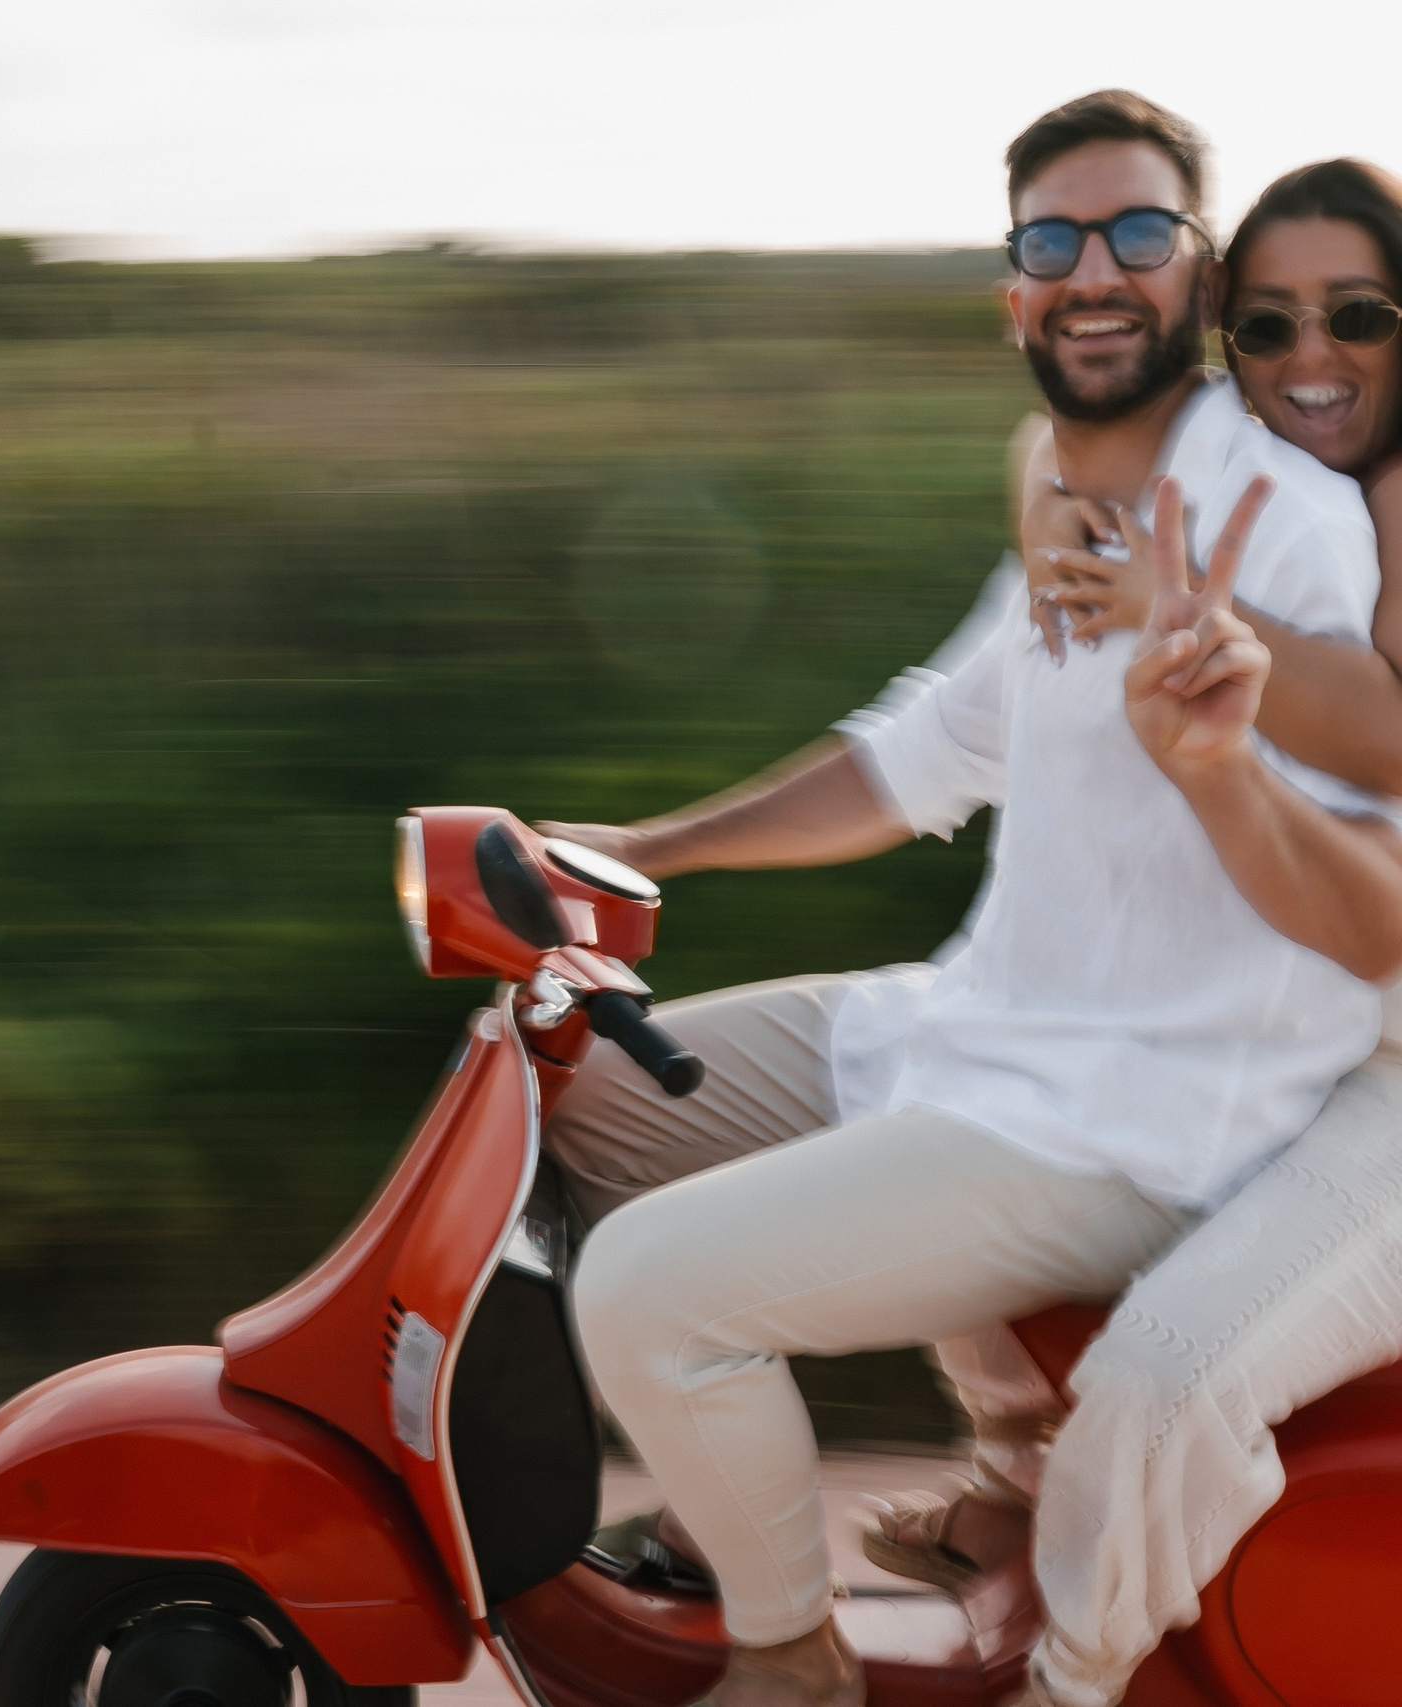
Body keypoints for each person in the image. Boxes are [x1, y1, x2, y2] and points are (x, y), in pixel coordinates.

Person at [545, 90, 1402, 1707]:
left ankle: (785, 1656)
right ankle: (774, 1495)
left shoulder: (1264, 522)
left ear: (1196, 279)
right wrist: (641, 846)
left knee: (651, 1291)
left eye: (1141, 234)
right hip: (983, 1025)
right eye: (1055, 240)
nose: (1097, 270)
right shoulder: (1070, 506)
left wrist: (1223, 727)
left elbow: (1367, 799)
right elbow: (921, 756)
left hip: (1136, 1112)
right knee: (572, 1087)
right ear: (1010, 288)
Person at [849, 156, 1402, 1707]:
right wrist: (1058, 495)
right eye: (1267, 326)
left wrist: (1173, 606)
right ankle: (1024, 1498)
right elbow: (1059, 462)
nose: (1307, 363)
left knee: (1166, 1376)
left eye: (1356, 317)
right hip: (1306, 1042)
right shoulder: (1276, 509)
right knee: (926, 1073)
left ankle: (1075, 1681)